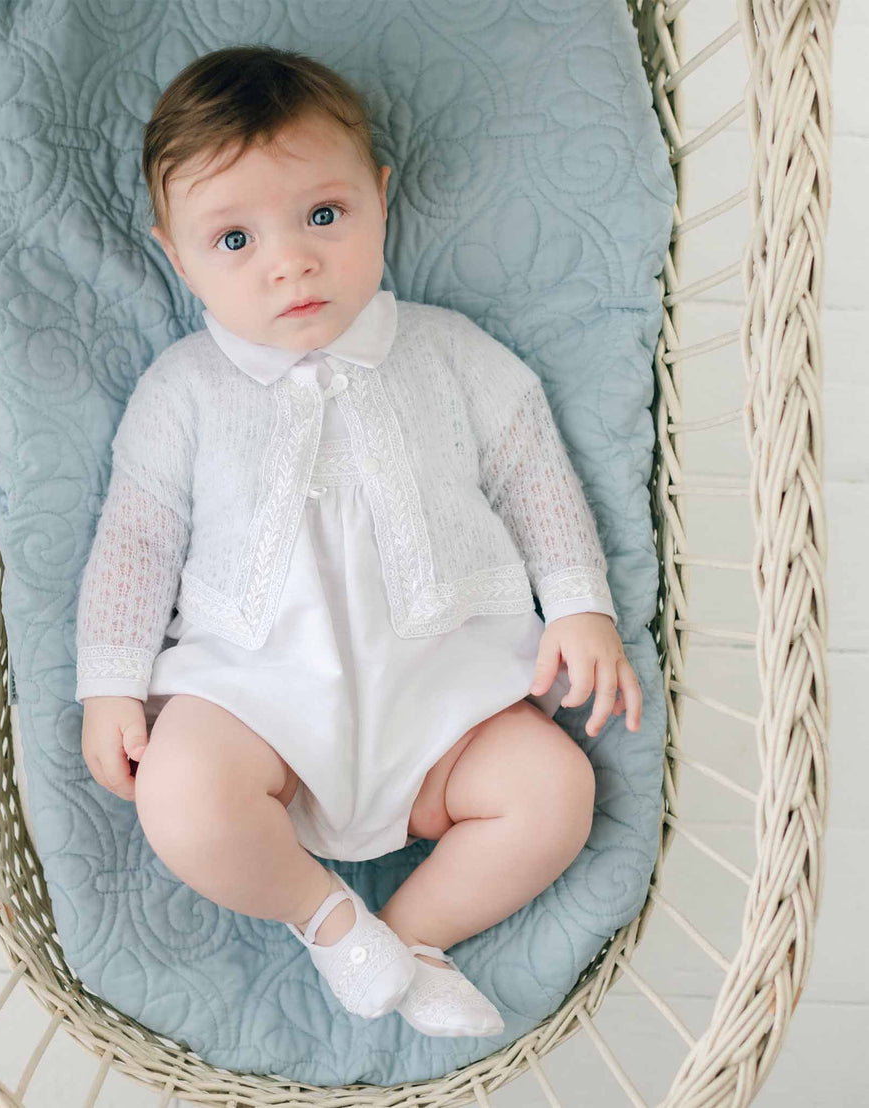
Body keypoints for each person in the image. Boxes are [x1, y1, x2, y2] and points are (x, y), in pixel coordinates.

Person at [74, 44, 642, 1038]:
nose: (289, 260)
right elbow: (135, 539)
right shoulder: (182, 389)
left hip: (446, 706)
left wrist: (581, 602)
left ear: (380, 199)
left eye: (323, 217)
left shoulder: (452, 352)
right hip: (255, 705)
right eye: (235, 239)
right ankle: (327, 920)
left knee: (554, 791)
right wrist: (111, 679)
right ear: (176, 255)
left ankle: (404, 942)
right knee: (181, 790)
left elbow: (533, 476)